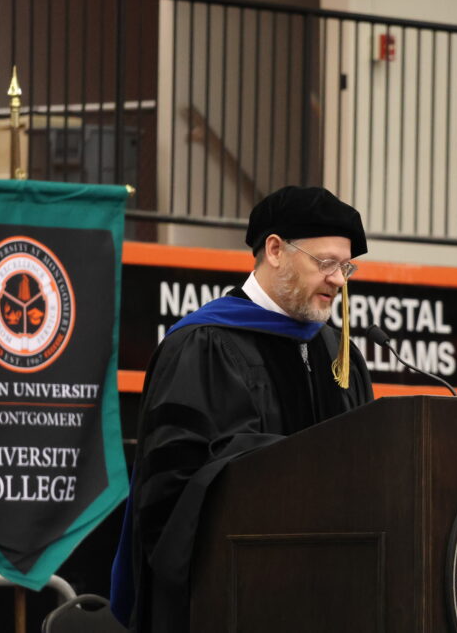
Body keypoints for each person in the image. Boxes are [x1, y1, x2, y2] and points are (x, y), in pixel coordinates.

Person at [111, 186, 374, 632]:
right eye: (326, 263)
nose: (339, 280)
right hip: (229, 600)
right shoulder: (202, 344)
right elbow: (172, 490)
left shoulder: (339, 354)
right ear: (275, 250)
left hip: (328, 599)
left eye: (345, 267)